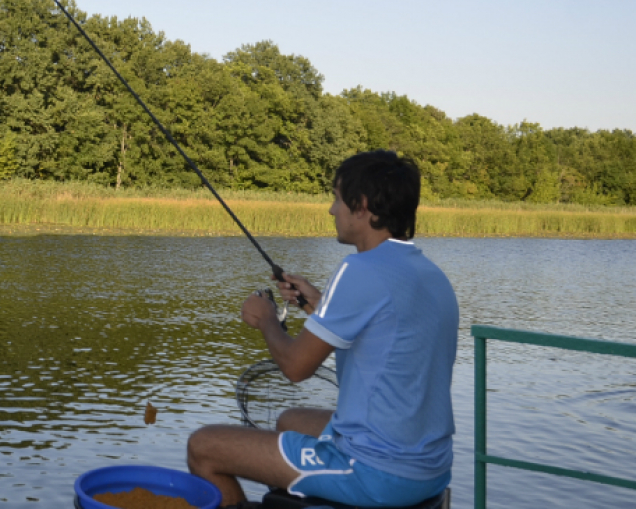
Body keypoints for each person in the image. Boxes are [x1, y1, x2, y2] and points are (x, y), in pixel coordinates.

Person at [187, 150, 459, 509]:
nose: (332, 210)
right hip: (430, 464)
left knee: (204, 446)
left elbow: (296, 368)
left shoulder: (358, 268)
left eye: (336, 198)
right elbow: (380, 334)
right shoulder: (429, 274)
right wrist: (316, 304)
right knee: (290, 420)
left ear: (361, 206)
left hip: (377, 470)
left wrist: (267, 318)